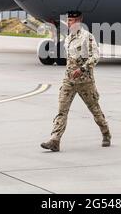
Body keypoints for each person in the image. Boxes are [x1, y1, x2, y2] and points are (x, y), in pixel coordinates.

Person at [41, 11, 111, 152]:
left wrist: (83, 69)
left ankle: (106, 133)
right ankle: (55, 140)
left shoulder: (87, 37)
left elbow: (95, 56)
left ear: (79, 21)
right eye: (68, 20)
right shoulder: (68, 38)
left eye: (72, 20)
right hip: (69, 81)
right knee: (62, 110)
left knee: (95, 110)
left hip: (85, 81)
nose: (69, 23)